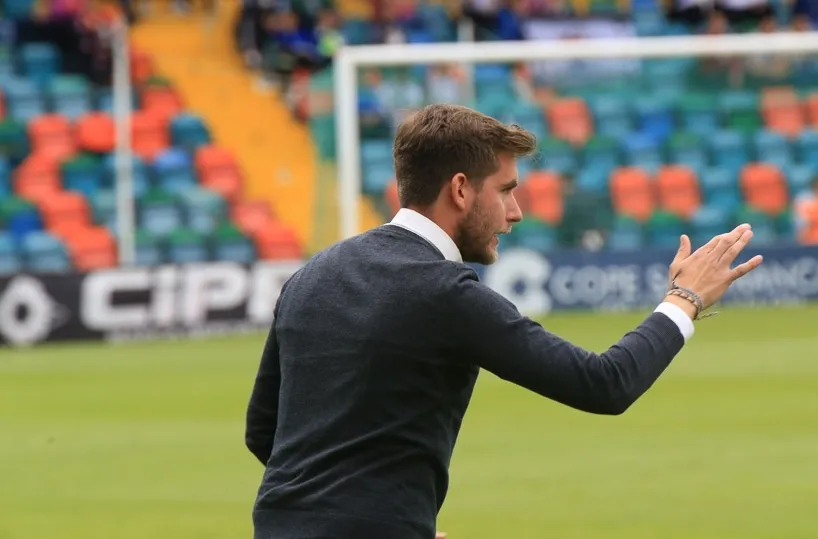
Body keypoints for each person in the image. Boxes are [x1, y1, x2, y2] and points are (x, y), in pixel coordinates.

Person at [244, 104, 764, 539]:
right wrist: (685, 298)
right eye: (507, 190)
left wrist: (376, 519)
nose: (515, 212)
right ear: (461, 189)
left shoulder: (311, 275)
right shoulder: (443, 292)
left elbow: (264, 432)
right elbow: (603, 384)